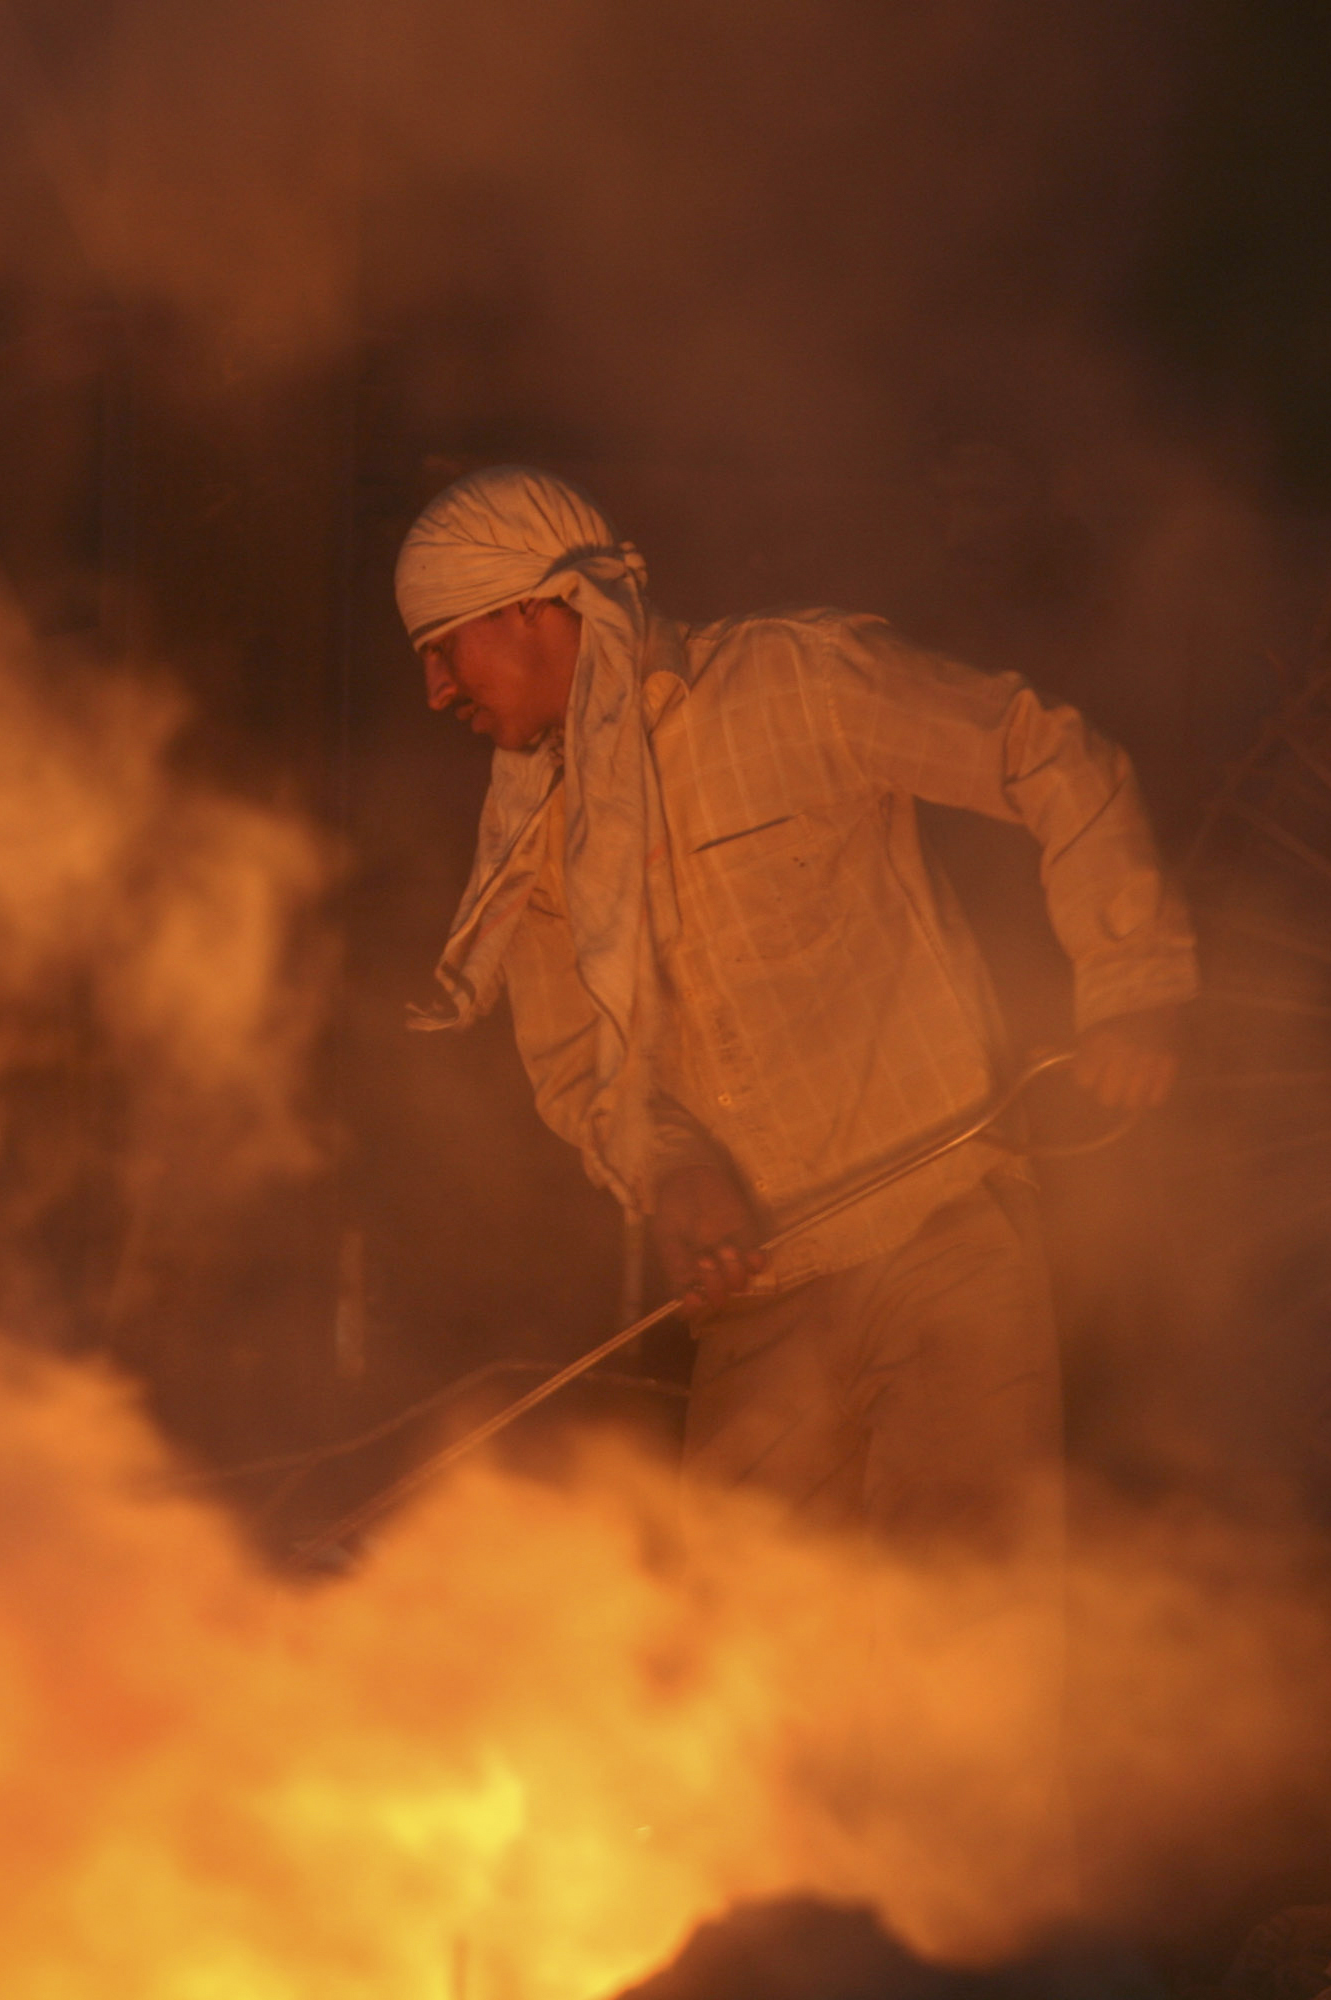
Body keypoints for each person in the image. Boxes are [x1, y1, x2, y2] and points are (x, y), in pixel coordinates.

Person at [399, 464, 1196, 1941]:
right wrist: (672, 1171)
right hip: (762, 1296)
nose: (438, 688)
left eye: (450, 646)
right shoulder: (536, 845)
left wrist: (1132, 977)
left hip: (943, 1234)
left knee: (970, 1643)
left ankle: (1005, 1971)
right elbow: (580, 1073)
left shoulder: (796, 686)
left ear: (540, 607)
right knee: (749, 1676)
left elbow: (1044, 750)